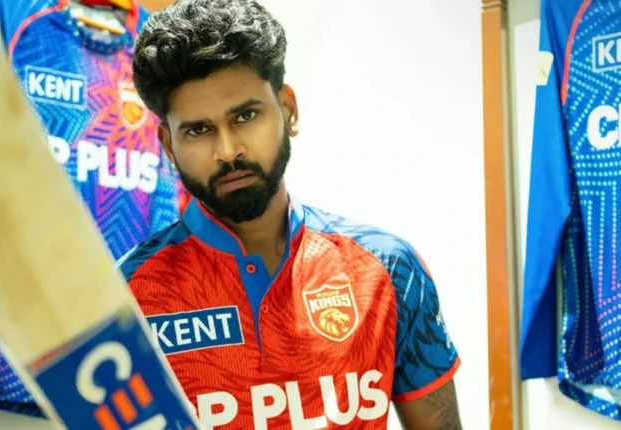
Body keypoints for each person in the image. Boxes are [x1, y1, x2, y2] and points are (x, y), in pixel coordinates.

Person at [121, 0, 463, 428]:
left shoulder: (389, 269)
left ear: (287, 110)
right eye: (199, 130)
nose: (228, 151)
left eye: (246, 116)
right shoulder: (127, 300)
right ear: (169, 146)